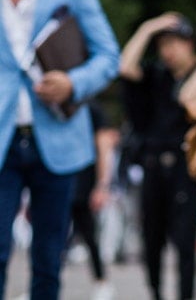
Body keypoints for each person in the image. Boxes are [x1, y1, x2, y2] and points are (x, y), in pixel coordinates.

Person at [0, 0, 120, 300]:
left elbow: (108, 57)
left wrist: (72, 82)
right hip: (2, 142)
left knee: (49, 254)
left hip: (59, 137)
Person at [119, 13, 196, 300]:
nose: (169, 51)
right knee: (151, 240)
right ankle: (156, 293)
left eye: (176, 43)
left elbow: (188, 98)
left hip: (184, 167)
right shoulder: (154, 75)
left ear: (190, 44)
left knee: (185, 243)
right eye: (163, 44)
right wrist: (148, 27)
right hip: (151, 164)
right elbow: (125, 67)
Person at [67, 102, 120, 300]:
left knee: (89, 234)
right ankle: (40, 284)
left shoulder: (92, 110)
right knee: (52, 235)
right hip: (58, 178)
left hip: (83, 181)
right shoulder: (51, 106)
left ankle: (101, 281)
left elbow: (103, 146)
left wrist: (102, 185)